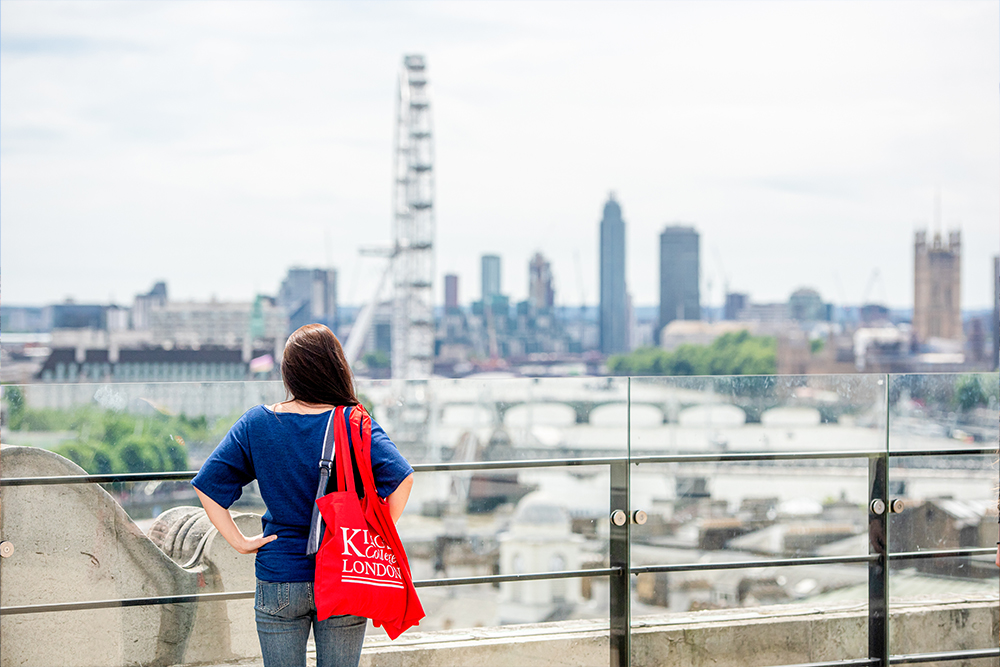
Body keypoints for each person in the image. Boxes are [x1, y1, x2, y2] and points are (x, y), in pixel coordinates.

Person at [192, 323, 414, 667]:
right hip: (344, 571)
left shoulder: (257, 423)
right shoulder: (354, 421)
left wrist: (239, 541)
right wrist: (370, 534)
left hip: (280, 572)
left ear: (289, 373)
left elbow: (207, 485)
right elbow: (402, 480)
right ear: (337, 368)